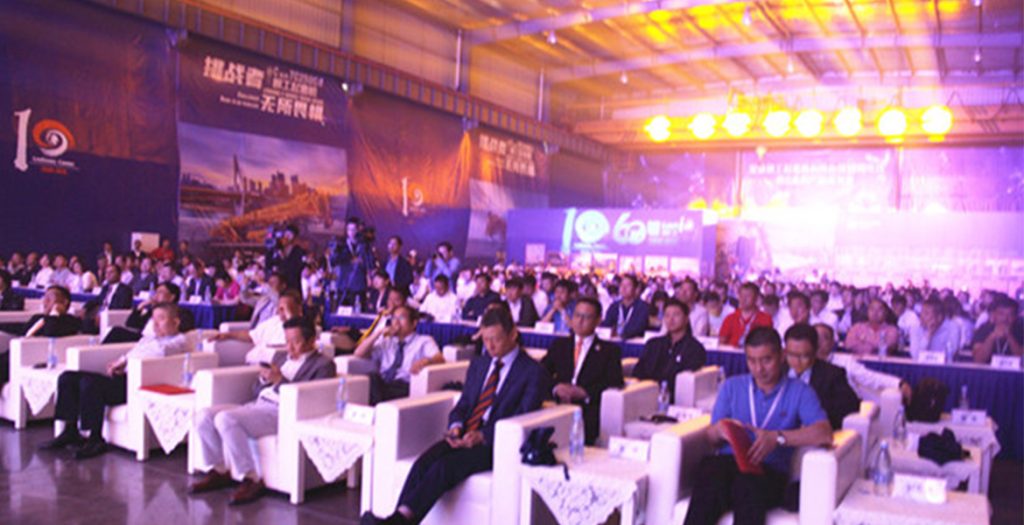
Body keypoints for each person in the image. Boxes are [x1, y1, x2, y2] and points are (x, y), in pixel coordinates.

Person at [360, 307, 548, 525]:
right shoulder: (479, 364)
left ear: (513, 334)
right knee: (423, 462)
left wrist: (482, 436)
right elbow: (465, 403)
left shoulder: (532, 371)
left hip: (496, 443)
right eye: (485, 339)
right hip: (464, 435)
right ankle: (397, 520)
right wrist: (456, 426)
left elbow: (523, 414)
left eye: (496, 339)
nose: (490, 346)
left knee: (444, 468)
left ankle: (395, 523)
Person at [683, 327, 832, 525]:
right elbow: (711, 437)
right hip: (728, 465)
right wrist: (719, 430)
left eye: (766, 360)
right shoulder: (732, 386)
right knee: (710, 469)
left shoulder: (800, 391)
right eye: (752, 361)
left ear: (782, 356)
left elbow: (824, 433)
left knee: (746, 484)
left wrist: (778, 438)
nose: (759, 369)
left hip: (768, 472)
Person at [189, 317, 336, 504]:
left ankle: (250, 478)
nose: (289, 347)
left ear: (311, 340)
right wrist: (264, 379)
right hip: (259, 404)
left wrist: (279, 381)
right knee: (203, 416)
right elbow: (256, 390)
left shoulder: (323, 365)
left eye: (296, 342)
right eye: (287, 341)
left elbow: (310, 398)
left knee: (226, 419)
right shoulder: (280, 357)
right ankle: (218, 470)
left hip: (281, 412)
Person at [39, 303, 190, 459]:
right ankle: (70, 430)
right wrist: (121, 363)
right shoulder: (150, 338)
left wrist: (125, 361)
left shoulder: (179, 341)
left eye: (161, 319)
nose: (155, 324)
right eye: (153, 319)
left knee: (90, 384)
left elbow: (159, 352)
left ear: (176, 322)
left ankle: (95, 439)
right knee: (67, 377)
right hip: (122, 377)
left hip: (136, 384)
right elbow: (135, 352)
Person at [541, 297, 624, 445]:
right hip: (557, 406)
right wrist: (556, 388)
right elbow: (541, 373)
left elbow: (615, 382)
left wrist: (585, 393)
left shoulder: (609, 351)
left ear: (598, 320)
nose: (580, 321)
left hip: (588, 409)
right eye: (577, 315)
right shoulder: (560, 345)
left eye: (586, 317)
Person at [353, 305, 444, 403]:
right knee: (369, 379)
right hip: (383, 383)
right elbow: (358, 353)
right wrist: (379, 333)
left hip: (404, 386)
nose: (396, 322)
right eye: (393, 318)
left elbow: (440, 358)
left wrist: (426, 361)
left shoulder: (424, 341)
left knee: (372, 384)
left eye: (401, 318)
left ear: (414, 323)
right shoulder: (387, 341)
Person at [783, 324, 861, 430]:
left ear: (815, 351)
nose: (797, 361)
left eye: (804, 356)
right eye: (791, 355)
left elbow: (850, 408)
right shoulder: (777, 371)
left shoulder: (833, 375)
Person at [815, 323, 911, 404]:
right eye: (816, 337)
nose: (819, 342)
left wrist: (899, 383)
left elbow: (870, 378)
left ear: (832, 343)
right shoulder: (807, 364)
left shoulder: (845, 362)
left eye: (824, 338)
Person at [633, 299, 707, 398]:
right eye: (667, 315)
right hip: (645, 394)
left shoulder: (695, 348)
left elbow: (687, 382)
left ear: (686, 319)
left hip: (676, 397)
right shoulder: (653, 344)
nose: (671, 319)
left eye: (676, 315)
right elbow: (638, 371)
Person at [207, 291, 304, 365]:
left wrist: (290, 316)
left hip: (269, 368)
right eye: (279, 307)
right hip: (252, 363)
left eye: (285, 308)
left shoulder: (301, 328)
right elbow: (252, 335)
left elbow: (294, 347)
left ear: (298, 308)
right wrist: (228, 335)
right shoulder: (274, 321)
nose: (279, 311)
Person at [103, 282, 195, 343]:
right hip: (143, 338)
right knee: (116, 330)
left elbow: (183, 329)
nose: (156, 295)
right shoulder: (153, 310)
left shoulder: (182, 312)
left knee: (116, 333)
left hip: (157, 341)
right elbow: (130, 325)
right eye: (156, 292)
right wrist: (140, 308)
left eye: (160, 292)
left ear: (172, 297)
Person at [332, 218, 375, 309]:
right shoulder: (341, 245)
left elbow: (371, 263)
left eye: (354, 229)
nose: (352, 232)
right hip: (344, 283)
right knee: (343, 309)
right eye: (349, 229)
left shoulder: (364, 245)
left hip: (359, 283)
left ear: (358, 230)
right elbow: (333, 260)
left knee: (359, 309)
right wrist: (349, 259)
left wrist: (368, 273)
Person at [718, 282, 773, 347]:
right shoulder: (730, 318)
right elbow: (721, 342)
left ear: (756, 298)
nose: (743, 299)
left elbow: (767, 343)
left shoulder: (765, 319)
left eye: (748, 296)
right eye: (741, 296)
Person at [83, 264, 134, 334]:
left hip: (111, 317)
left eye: (111, 272)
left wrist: (104, 316)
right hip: (100, 315)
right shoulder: (105, 288)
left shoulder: (125, 290)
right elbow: (97, 300)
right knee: (82, 321)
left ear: (119, 275)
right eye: (106, 272)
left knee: (88, 325)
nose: (108, 275)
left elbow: (122, 306)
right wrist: (85, 308)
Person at [972, 296, 1024, 363]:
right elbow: (978, 360)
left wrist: (1009, 336)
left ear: (1016, 316)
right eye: (1001, 314)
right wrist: (992, 337)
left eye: (1010, 314)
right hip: (987, 369)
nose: (1005, 319)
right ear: (993, 315)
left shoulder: (1021, 330)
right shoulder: (983, 329)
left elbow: (1022, 358)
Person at [601, 274, 650, 340]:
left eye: (628, 285)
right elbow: (606, 325)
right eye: (622, 285)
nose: (624, 288)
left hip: (634, 342)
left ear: (635, 289)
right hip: (614, 341)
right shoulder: (614, 306)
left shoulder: (642, 307)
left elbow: (639, 327)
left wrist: (622, 335)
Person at [266, 224, 307, 293]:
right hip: (276, 288)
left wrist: (283, 257)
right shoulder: (275, 250)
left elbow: (295, 269)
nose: (287, 237)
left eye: (290, 235)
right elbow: (268, 265)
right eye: (286, 234)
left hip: (292, 287)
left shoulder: (298, 252)